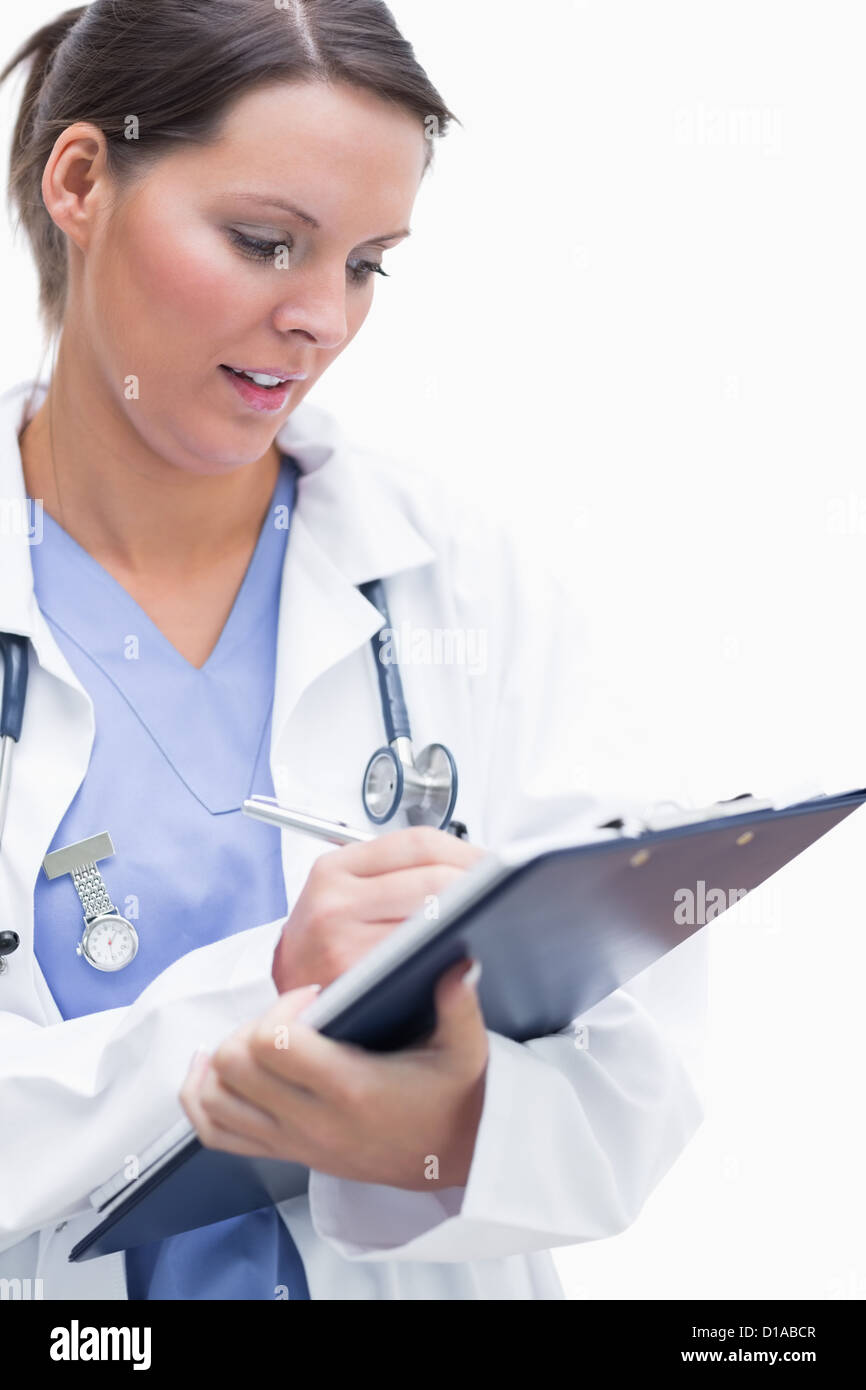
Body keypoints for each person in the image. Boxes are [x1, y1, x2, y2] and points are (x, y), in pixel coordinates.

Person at [0, 0, 704, 1301]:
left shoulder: (464, 583)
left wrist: (437, 1128)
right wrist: (260, 1009)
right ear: (81, 179)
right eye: (264, 242)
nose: (320, 316)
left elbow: (638, 1078)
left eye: (369, 261)